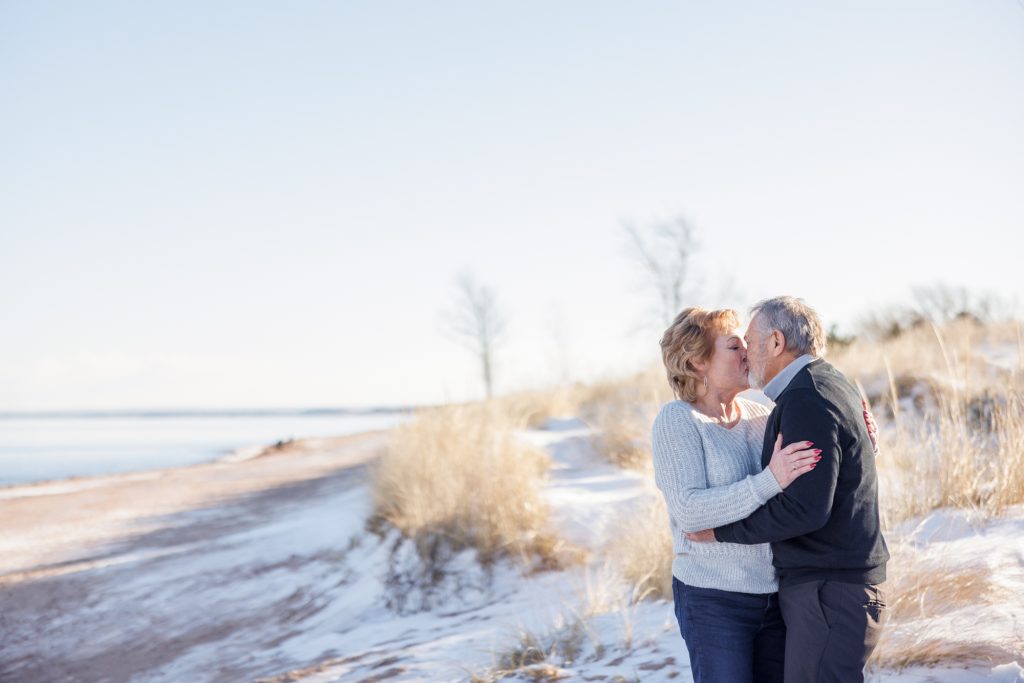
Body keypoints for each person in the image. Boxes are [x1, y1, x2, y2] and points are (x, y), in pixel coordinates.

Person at [687, 296, 890, 683]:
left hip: (830, 591)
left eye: (750, 339)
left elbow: (805, 509)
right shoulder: (825, 384)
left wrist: (721, 533)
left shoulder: (806, 397)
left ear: (776, 342)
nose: (745, 350)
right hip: (835, 589)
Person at [651, 306, 821, 683]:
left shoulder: (760, 411)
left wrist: (858, 428)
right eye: (734, 346)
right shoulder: (677, 421)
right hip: (713, 600)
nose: (748, 350)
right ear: (697, 361)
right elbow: (690, 512)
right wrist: (768, 481)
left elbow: (815, 454)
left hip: (776, 596)